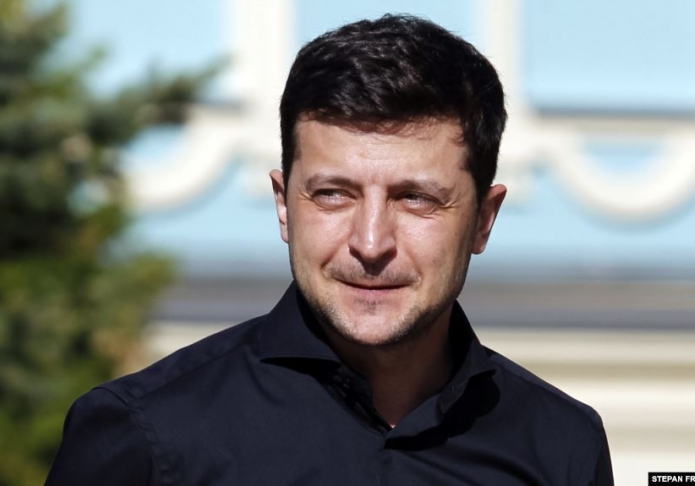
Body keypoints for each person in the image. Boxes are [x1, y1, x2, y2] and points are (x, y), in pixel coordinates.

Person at [46, 14, 614, 485]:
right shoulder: (149, 437)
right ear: (284, 206)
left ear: (483, 221)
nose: (370, 243)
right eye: (333, 195)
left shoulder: (562, 447)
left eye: (415, 199)